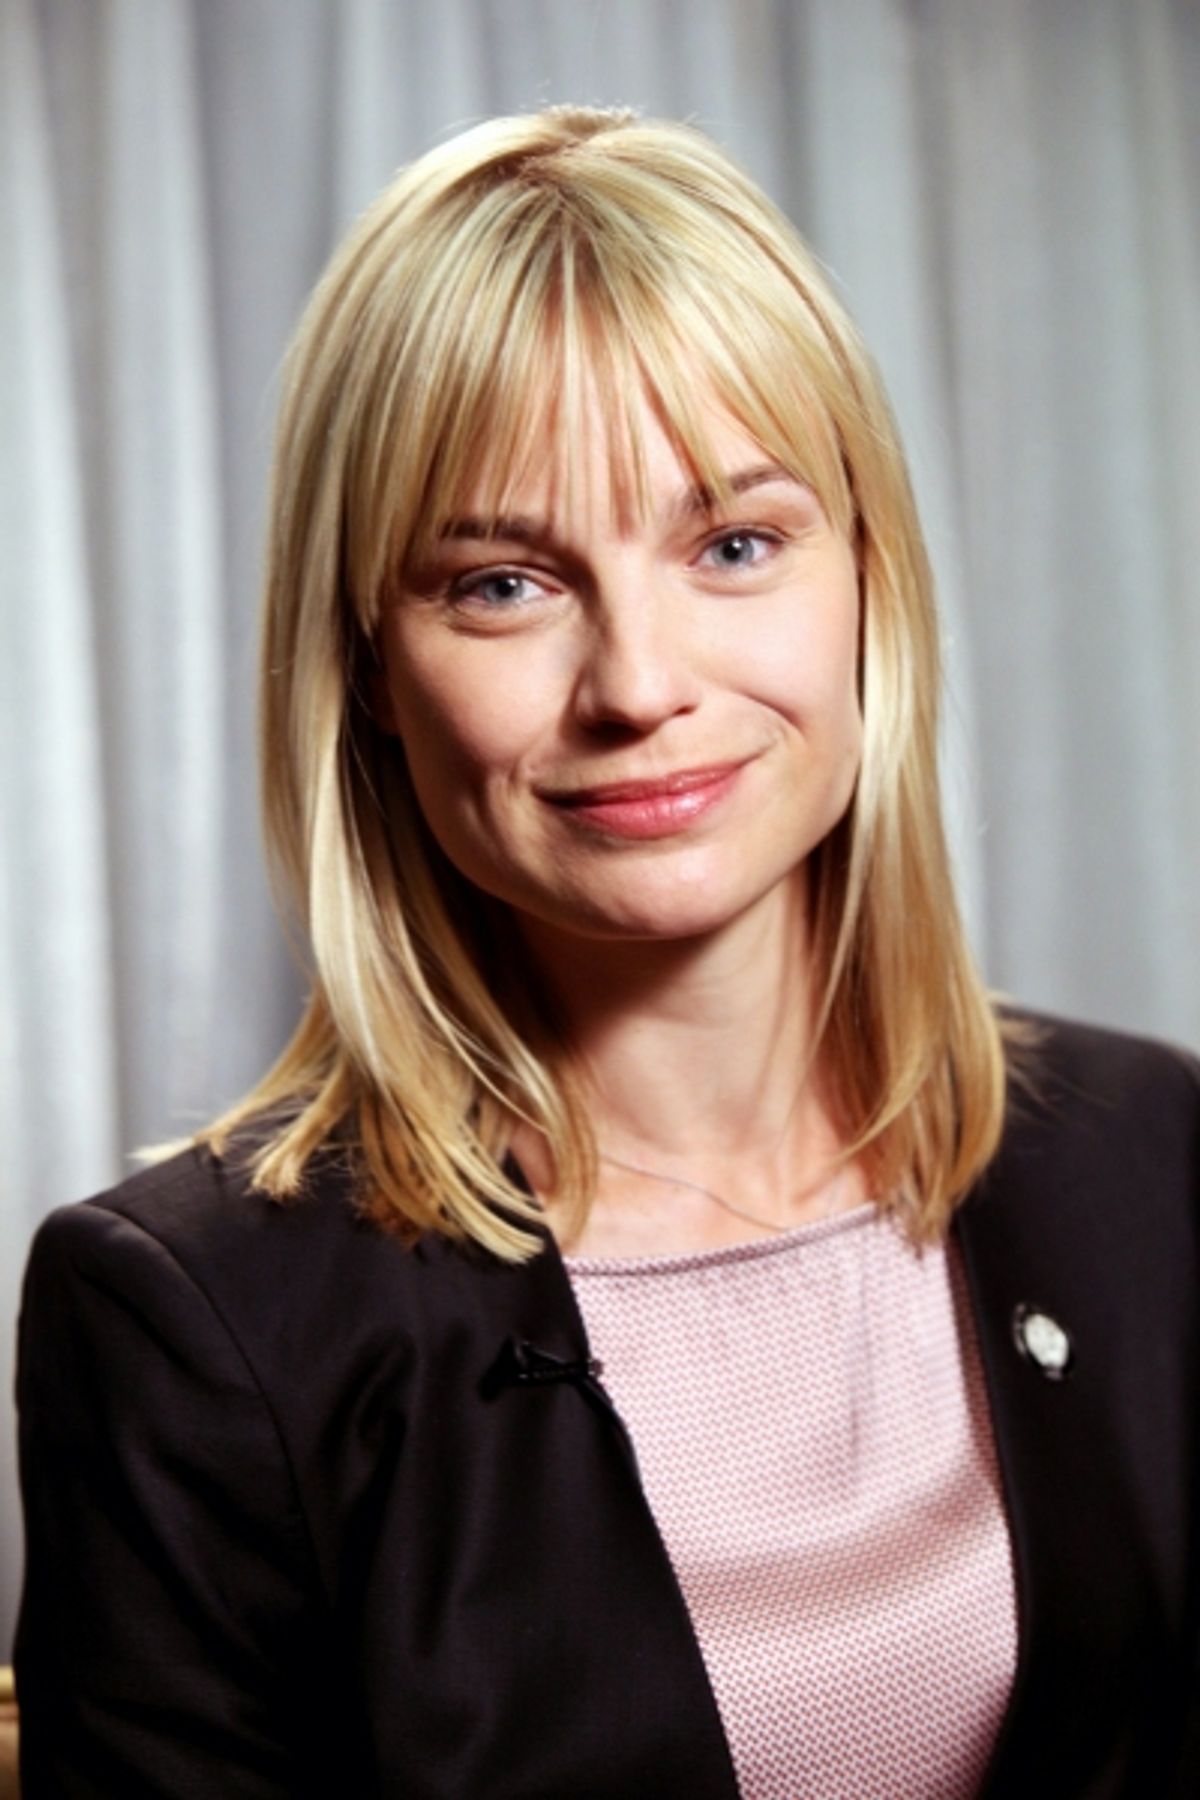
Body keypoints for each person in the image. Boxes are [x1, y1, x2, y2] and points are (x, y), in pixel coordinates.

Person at [13, 105, 1200, 1800]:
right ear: (369, 668)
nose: (639, 683)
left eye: (735, 546)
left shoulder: (1154, 1154)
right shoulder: (184, 1321)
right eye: (503, 583)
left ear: (869, 580)